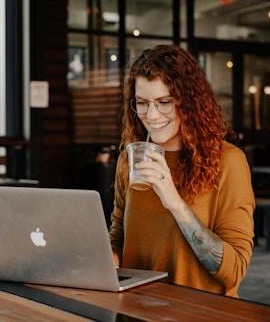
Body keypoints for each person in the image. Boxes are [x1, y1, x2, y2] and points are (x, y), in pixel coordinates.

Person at [109, 44, 255, 298]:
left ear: (189, 102)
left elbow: (234, 272)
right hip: (136, 310)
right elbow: (119, 237)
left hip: (199, 312)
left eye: (164, 102)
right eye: (142, 103)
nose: (152, 115)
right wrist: (103, 258)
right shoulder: (130, 159)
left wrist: (174, 202)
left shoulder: (228, 161)